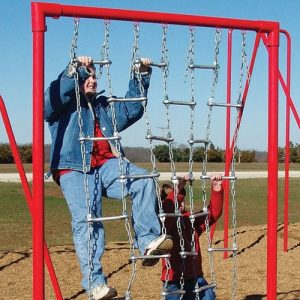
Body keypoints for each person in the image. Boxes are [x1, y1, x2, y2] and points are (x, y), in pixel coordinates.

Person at [44, 56, 173, 300]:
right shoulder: (64, 106)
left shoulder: (103, 108)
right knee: (88, 220)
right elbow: (48, 103)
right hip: (74, 167)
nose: (92, 79)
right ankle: (94, 283)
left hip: (107, 166)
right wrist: (76, 71)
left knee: (144, 180)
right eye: (87, 76)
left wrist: (141, 74)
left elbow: (133, 107)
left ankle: (147, 241)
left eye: (94, 76)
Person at [160, 174, 223, 300]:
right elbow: (167, 214)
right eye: (177, 198)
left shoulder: (189, 219)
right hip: (174, 280)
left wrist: (217, 190)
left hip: (195, 276)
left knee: (208, 296)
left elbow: (213, 214)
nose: (181, 201)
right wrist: (178, 190)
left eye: (182, 198)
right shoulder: (163, 222)